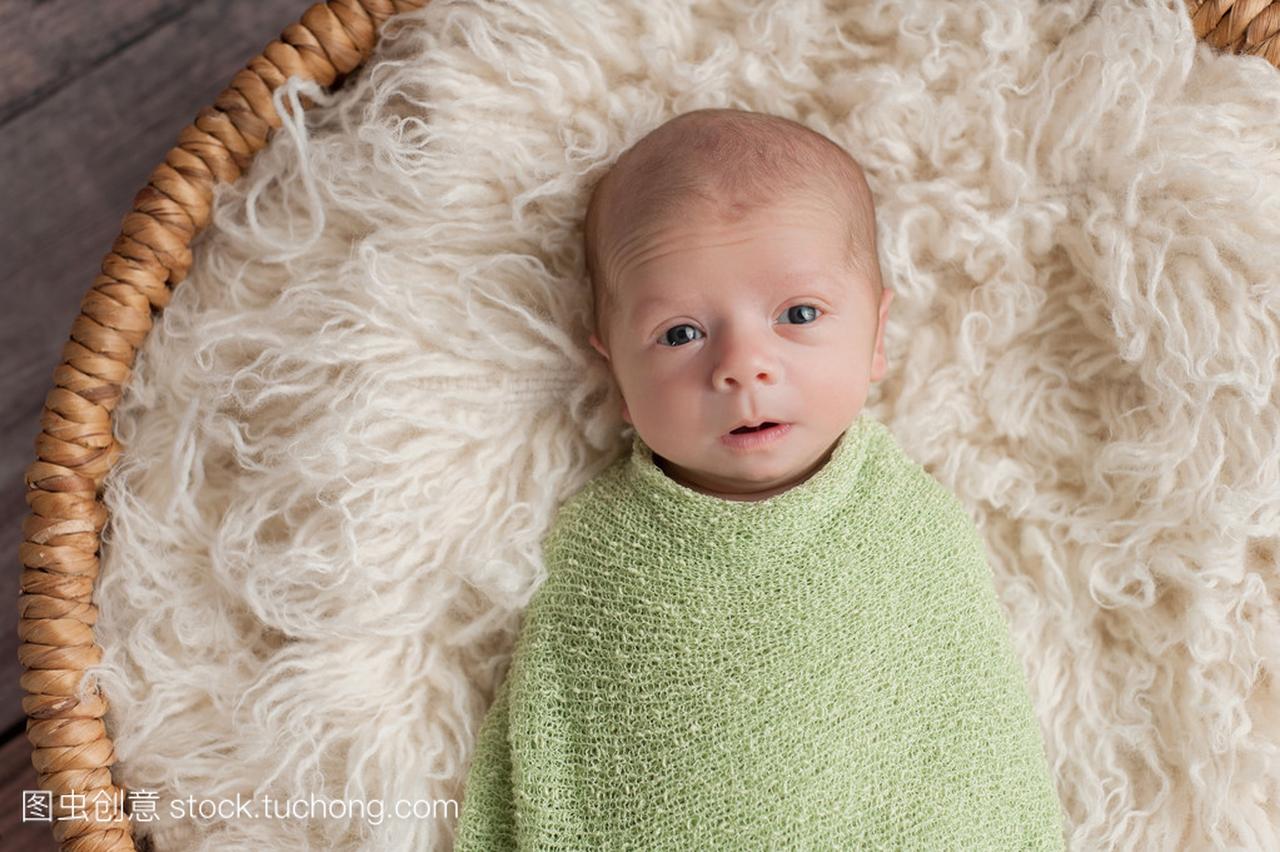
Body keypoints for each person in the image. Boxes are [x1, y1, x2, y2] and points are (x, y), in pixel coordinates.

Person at [454, 107, 1066, 850]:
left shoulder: (915, 530)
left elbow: (971, 743)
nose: (743, 365)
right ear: (614, 370)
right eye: (681, 333)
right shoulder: (596, 551)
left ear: (876, 338)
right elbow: (553, 744)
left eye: (798, 314)